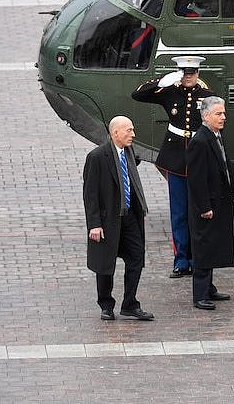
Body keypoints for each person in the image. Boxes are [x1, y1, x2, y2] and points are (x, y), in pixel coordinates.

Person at [132, 55, 214, 278]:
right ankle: (181, 260)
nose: (188, 77)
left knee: (197, 212)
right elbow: (137, 94)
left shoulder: (206, 96)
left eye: (192, 73)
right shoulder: (170, 92)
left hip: (198, 160)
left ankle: (198, 259)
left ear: (198, 74)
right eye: (185, 73)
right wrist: (161, 82)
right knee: (178, 213)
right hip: (176, 159)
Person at [83, 116, 154, 321]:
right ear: (115, 133)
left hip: (130, 216)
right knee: (105, 265)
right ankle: (106, 304)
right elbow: (90, 194)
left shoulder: (130, 152)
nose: (133, 134)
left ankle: (130, 304)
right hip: (108, 220)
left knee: (136, 258)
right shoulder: (97, 156)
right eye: (129, 130)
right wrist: (94, 224)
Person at [186, 96, 234, 310]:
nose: (223, 117)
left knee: (214, 245)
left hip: (220, 201)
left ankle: (209, 288)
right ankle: (200, 294)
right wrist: (204, 206)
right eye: (218, 114)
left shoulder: (216, 135)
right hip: (206, 206)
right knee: (204, 246)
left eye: (223, 113)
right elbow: (196, 179)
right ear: (206, 116)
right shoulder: (200, 141)